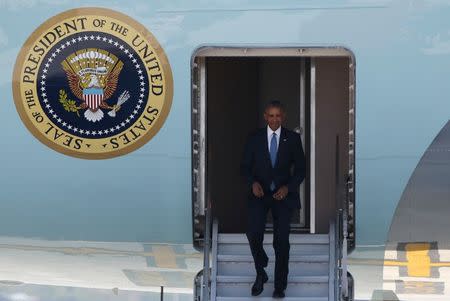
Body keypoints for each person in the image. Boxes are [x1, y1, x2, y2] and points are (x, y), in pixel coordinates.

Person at [241, 101, 306, 298]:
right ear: (265, 117)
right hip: (259, 195)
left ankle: (280, 286)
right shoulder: (254, 138)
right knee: (253, 233)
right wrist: (252, 183)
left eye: (278, 116)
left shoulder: (293, 139)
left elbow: (301, 170)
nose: (275, 119)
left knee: (281, 242)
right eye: (271, 115)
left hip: (282, 197)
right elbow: (244, 167)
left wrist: (288, 188)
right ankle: (261, 272)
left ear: (283, 116)